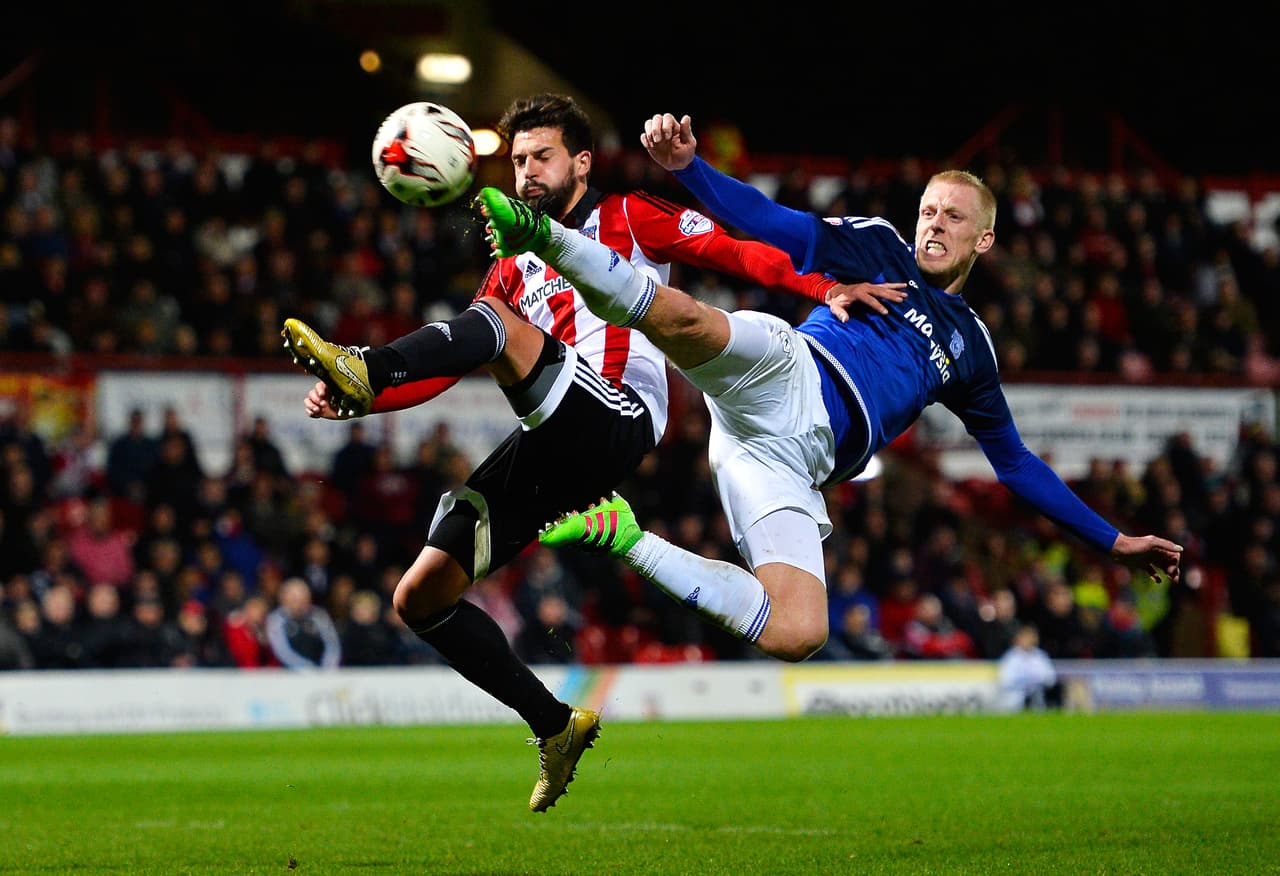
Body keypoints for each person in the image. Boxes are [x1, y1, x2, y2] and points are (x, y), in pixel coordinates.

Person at [278, 94, 901, 811]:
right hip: (553, 438)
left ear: (580, 162)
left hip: (619, 415)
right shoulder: (511, 262)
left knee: (496, 323)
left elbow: (732, 251)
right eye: (517, 161)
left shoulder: (629, 216)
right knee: (420, 597)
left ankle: (364, 363)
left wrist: (823, 285)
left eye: (540, 157)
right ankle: (554, 725)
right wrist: (366, 400)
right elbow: (447, 367)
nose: (526, 173)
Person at [475, 110, 1183, 666]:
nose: (934, 224)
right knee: (685, 319)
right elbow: (771, 224)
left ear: (984, 240)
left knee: (797, 631)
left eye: (953, 216)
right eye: (929, 211)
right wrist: (692, 169)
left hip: (787, 462)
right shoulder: (878, 245)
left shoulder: (972, 348)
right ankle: (546, 236)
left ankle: (624, 537)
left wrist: (1111, 540)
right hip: (789, 375)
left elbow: (1016, 463)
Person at [996, 623, 1058, 711]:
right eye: (1025, 637)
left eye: (1031, 637)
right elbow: (1004, 680)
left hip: (1037, 695)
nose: (1028, 640)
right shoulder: (1011, 657)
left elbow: (1050, 678)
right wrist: (1024, 684)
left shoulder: (1040, 656)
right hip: (1015, 696)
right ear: (1018, 638)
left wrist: (1034, 683)